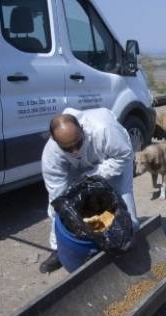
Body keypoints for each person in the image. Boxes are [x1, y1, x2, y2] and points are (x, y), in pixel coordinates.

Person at [40, 107, 139, 273]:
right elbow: (57, 196)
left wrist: (94, 176)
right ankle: (59, 249)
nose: (75, 150)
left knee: (122, 197)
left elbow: (124, 156)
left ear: (82, 129)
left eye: (77, 143)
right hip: (76, 167)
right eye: (68, 148)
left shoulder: (105, 129)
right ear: (55, 142)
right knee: (62, 205)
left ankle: (129, 238)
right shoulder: (51, 155)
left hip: (113, 158)